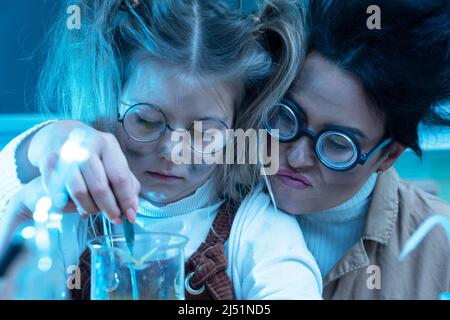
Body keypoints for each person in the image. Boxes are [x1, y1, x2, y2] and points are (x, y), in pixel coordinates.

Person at [0, 0, 322, 300]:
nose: (173, 151)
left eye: (204, 132)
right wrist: (21, 214)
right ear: (110, 99)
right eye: (147, 121)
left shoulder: (257, 230)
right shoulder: (72, 215)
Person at [240, 0, 450, 299]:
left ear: (388, 155)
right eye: (285, 117)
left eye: (338, 144)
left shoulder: (441, 254)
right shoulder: (195, 203)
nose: (297, 157)